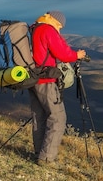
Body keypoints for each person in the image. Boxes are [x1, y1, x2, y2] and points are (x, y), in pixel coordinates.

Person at [29, 10, 86, 165]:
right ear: (55, 21)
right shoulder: (48, 29)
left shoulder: (35, 28)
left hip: (32, 79)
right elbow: (63, 54)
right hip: (46, 80)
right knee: (58, 118)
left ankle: (39, 152)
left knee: (39, 117)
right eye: (59, 26)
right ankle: (47, 158)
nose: (59, 29)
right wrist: (77, 55)